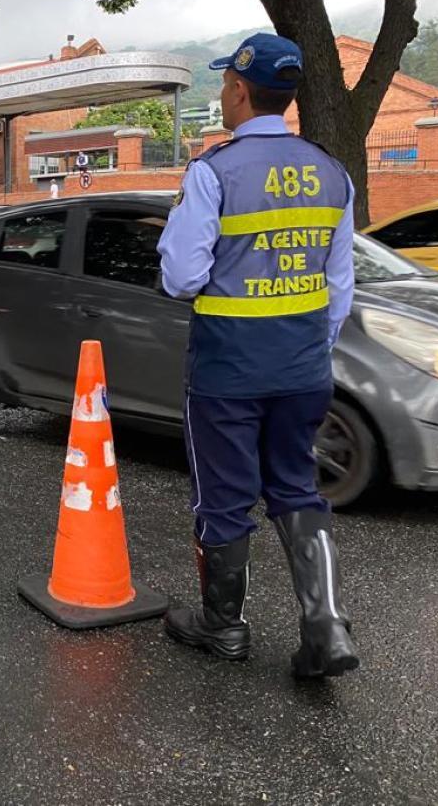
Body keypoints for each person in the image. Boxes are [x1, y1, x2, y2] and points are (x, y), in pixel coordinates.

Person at [157, 33, 359, 679]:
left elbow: (182, 278)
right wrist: (309, 349)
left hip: (228, 372)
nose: (222, 93)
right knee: (297, 489)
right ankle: (324, 626)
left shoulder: (214, 171)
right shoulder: (331, 172)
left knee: (224, 497)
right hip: (302, 368)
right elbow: (339, 284)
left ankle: (225, 626)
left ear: (240, 90)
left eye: (224, 85)